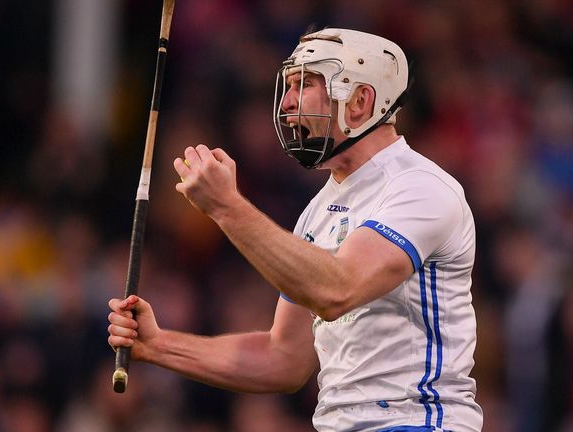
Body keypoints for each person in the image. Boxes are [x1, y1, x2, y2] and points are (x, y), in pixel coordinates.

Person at [108, 28, 484, 432]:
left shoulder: (419, 187)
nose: (286, 103)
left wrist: (227, 208)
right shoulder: (318, 210)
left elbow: (338, 290)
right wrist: (159, 345)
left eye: (305, 84)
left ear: (360, 100)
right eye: (288, 86)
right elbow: (282, 359)